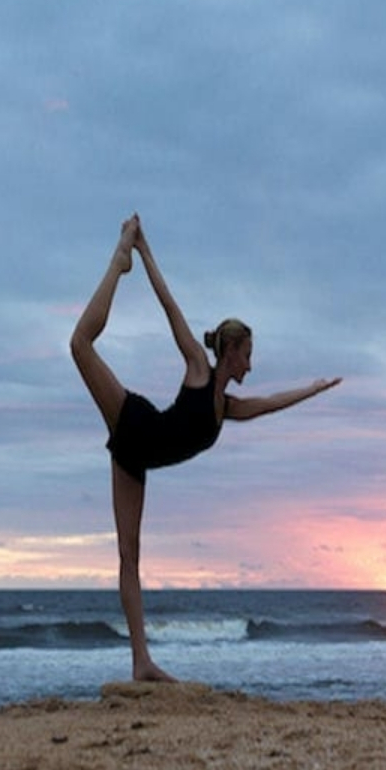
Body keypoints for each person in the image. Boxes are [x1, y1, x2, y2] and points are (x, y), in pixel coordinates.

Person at [70, 213, 342, 681]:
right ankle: (116, 261)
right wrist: (141, 251)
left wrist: (313, 389)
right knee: (80, 345)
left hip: (136, 459)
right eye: (248, 356)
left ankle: (141, 663)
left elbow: (271, 403)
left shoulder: (226, 409)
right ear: (230, 351)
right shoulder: (198, 366)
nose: (250, 366)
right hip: (136, 423)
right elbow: (170, 306)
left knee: (129, 556)